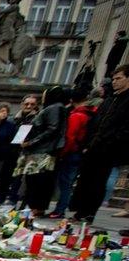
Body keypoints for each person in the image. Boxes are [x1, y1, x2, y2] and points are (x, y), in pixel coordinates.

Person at [72, 64, 129, 222]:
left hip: (108, 149)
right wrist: (87, 143)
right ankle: (79, 212)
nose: (114, 82)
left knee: (98, 181)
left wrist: (109, 142)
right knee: (85, 179)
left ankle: (89, 213)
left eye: (119, 78)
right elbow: (95, 123)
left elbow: (123, 129)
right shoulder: (109, 100)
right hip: (92, 146)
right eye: (114, 79)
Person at [15, 86, 67, 216]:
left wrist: (31, 142)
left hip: (41, 151)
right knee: (38, 180)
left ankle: (34, 207)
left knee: (36, 181)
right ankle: (35, 207)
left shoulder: (53, 108)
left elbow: (51, 129)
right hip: (42, 150)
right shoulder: (57, 108)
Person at [50, 87, 95, 218]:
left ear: (71, 100)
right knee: (70, 181)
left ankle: (60, 209)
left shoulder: (76, 115)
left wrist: (63, 153)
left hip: (72, 152)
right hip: (83, 151)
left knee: (65, 182)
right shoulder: (92, 113)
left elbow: (70, 137)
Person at [0, 95, 39, 204]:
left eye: (32, 104)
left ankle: (14, 202)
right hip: (10, 152)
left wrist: (29, 142)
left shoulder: (37, 119)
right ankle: (0, 201)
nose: (29, 106)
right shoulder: (12, 119)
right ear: (22, 104)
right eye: (26, 104)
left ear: (36, 106)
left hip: (26, 153)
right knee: (4, 178)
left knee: (19, 180)